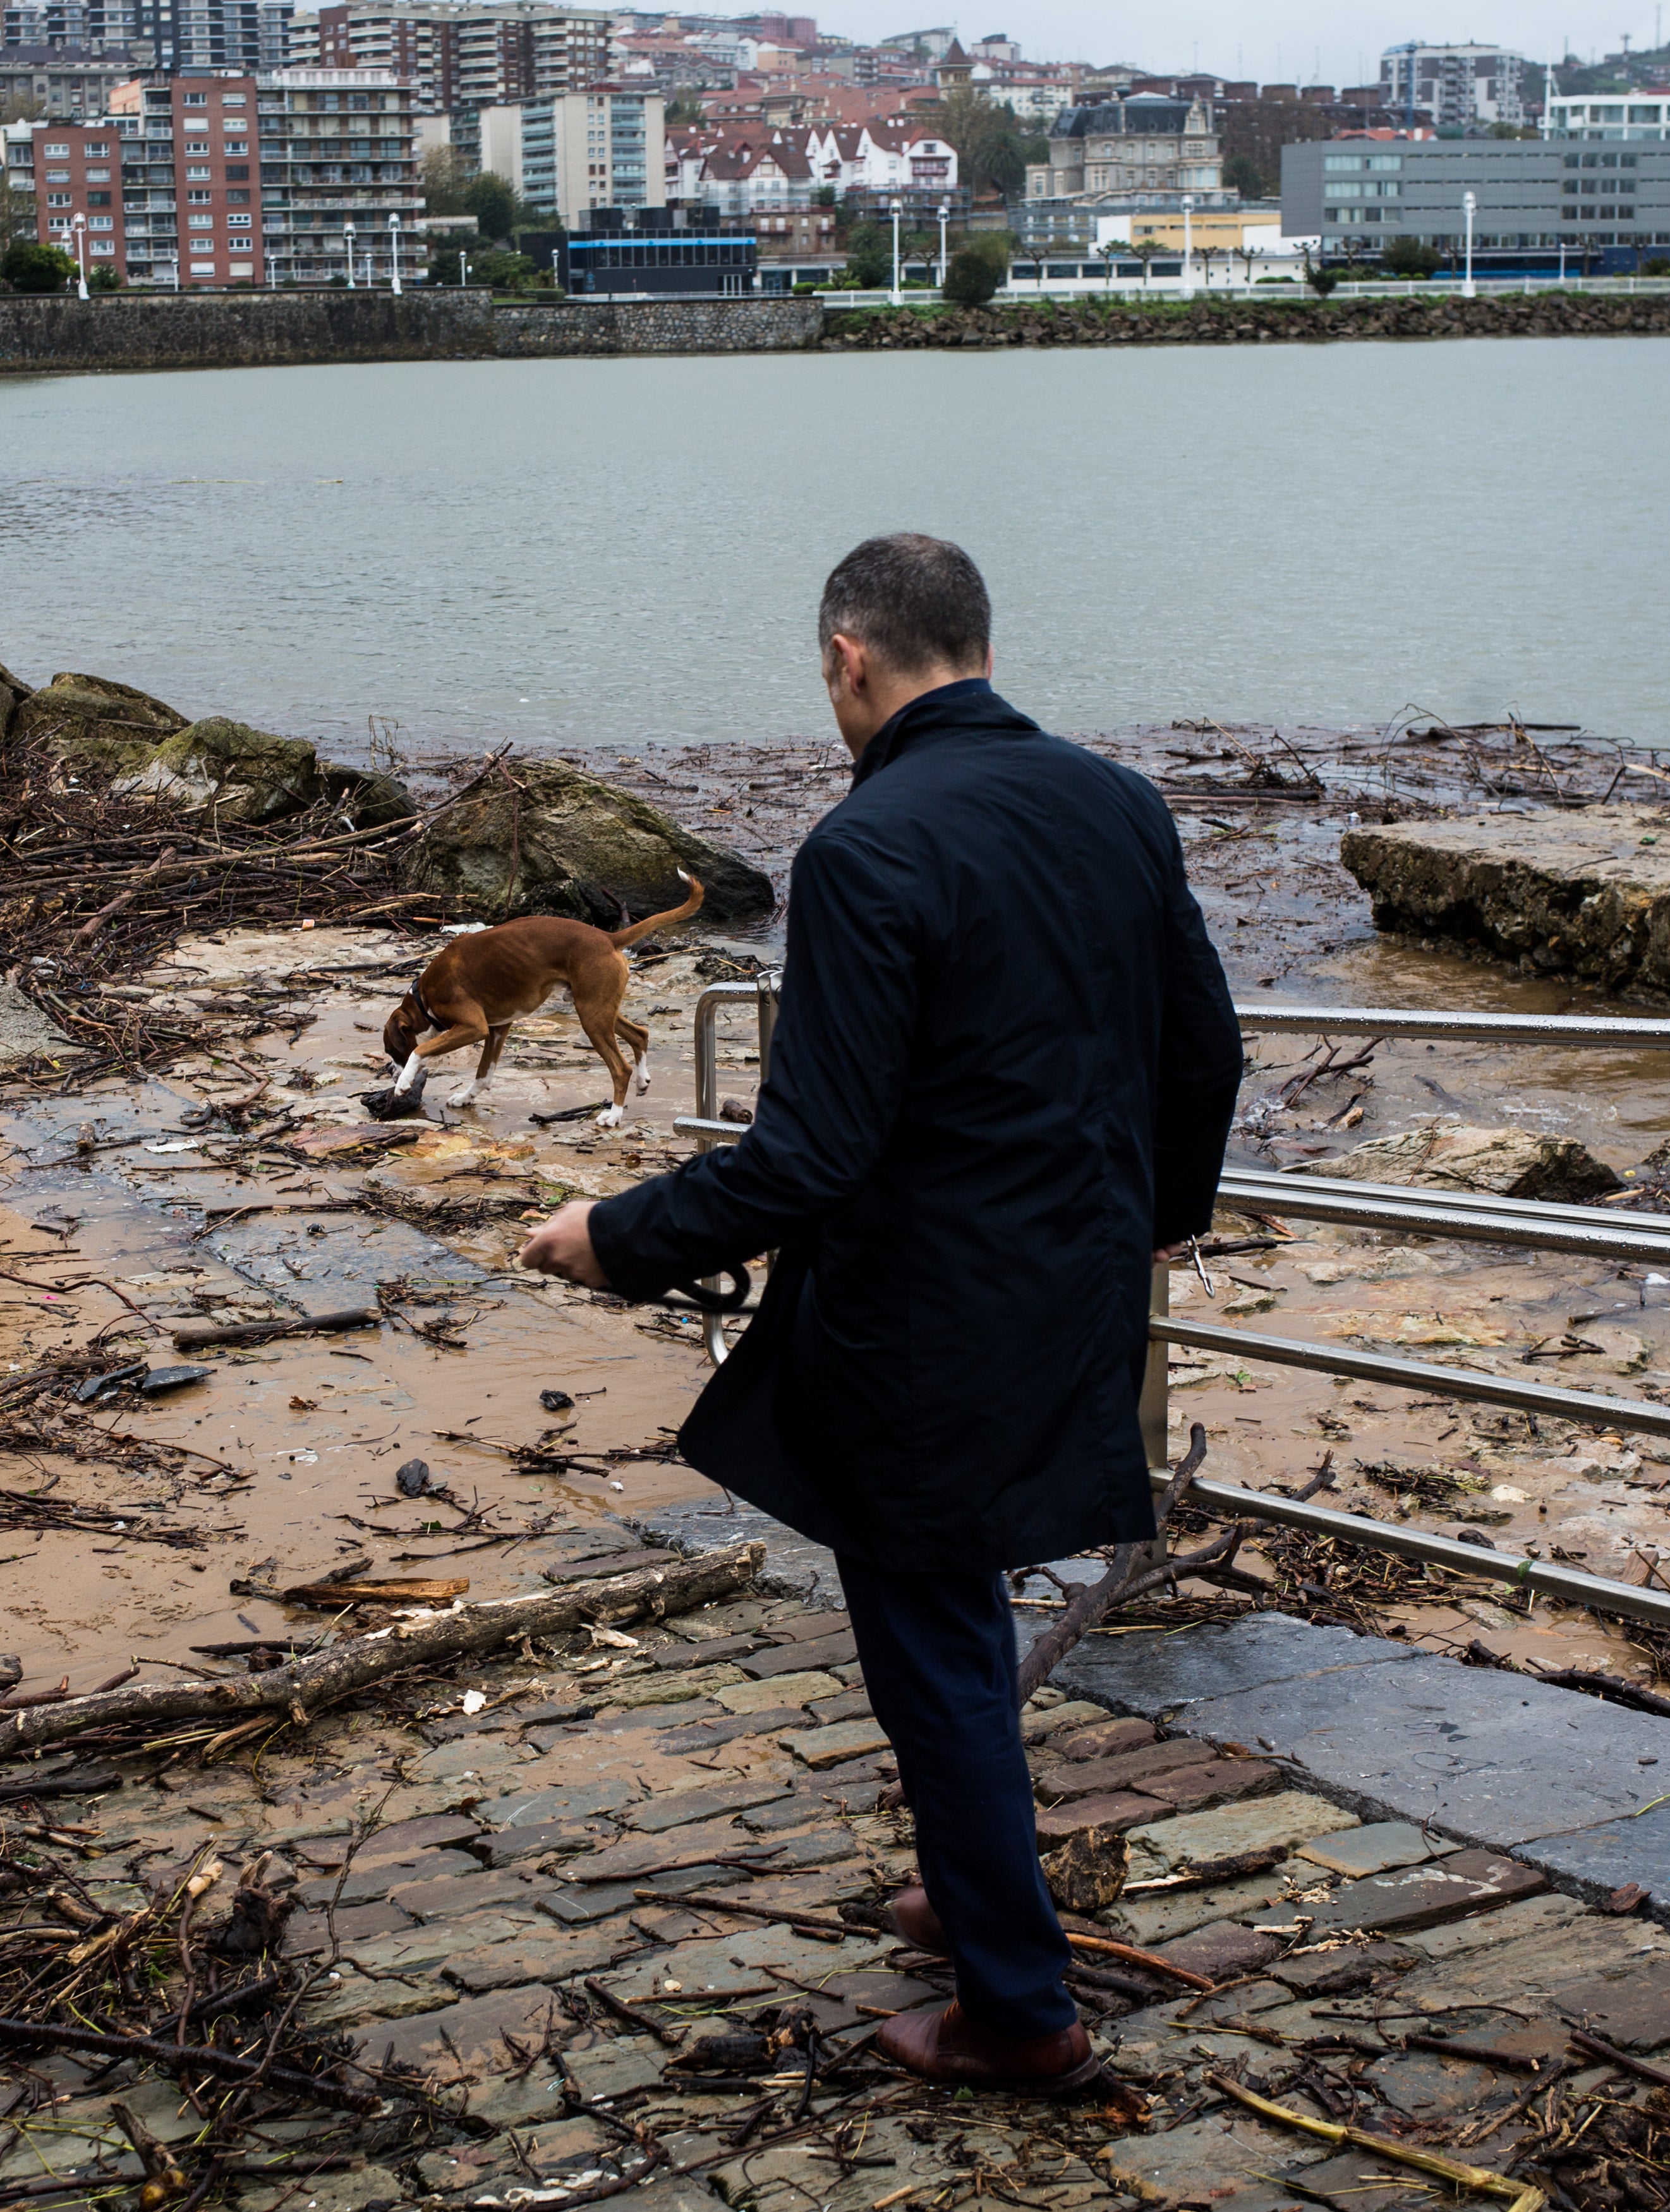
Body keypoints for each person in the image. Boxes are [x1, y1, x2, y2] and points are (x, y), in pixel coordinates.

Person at [519, 533, 1242, 2093]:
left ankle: (1020, 2012)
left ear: (851, 658)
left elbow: (815, 1153)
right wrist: (1148, 1228)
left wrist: (619, 1237)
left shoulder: (868, 847)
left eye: (826, 673)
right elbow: (1206, 1054)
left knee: (927, 1634)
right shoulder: (1121, 803)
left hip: (922, 1320)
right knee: (961, 1606)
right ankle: (974, 1888)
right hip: (1078, 1283)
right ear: (975, 642)